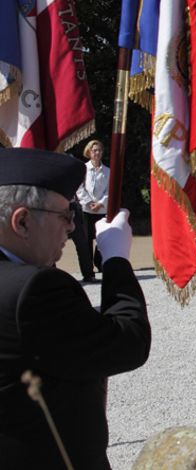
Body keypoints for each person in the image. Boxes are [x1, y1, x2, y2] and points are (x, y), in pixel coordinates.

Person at [0, 147, 150, 468]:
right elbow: (128, 343)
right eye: (65, 215)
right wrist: (116, 260)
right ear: (22, 221)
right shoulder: (35, 289)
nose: (71, 227)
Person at [75, 139, 108, 279]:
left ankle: (100, 263)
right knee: (87, 239)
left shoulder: (108, 171)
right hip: (86, 209)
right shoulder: (83, 168)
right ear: (89, 152)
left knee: (102, 238)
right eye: (94, 150)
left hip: (101, 209)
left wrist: (100, 203)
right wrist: (89, 203)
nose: (97, 153)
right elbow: (79, 188)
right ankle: (89, 271)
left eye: (99, 150)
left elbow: (109, 190)